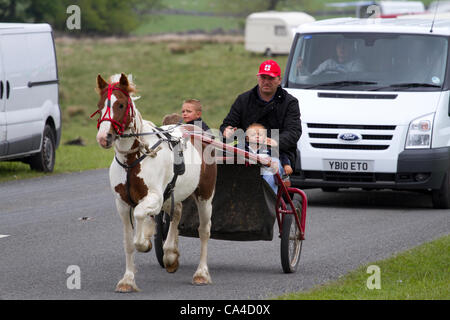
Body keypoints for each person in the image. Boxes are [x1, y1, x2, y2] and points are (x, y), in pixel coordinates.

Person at [220, 59, 301, 190]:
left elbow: (294, 132)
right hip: (246, 152)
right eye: (263, 77)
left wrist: (273, 141)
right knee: (226, 172)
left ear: (279, 80)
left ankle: (266, 209)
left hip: (278, 153)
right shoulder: (243, 100)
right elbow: (227, 125)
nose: (266, 81)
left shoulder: (290, 102)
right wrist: (227, 131)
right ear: (258, 78)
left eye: (271, 78)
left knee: (268, 173)